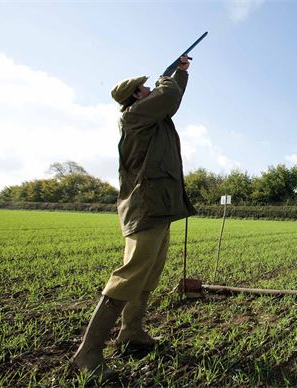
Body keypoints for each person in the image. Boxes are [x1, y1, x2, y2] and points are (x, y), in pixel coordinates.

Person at [72, 55, 196, 379]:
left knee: (148, 275)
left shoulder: (150, 117)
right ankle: (88, 353)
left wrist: (178, 74)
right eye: (143, 88)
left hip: (160, 206)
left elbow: (170, 100)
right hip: (146, 207)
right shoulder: (135, 117)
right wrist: (167, 80)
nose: (148, 90)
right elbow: (167, 97)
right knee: (130, 275)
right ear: (135, 97)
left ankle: (131, 333)